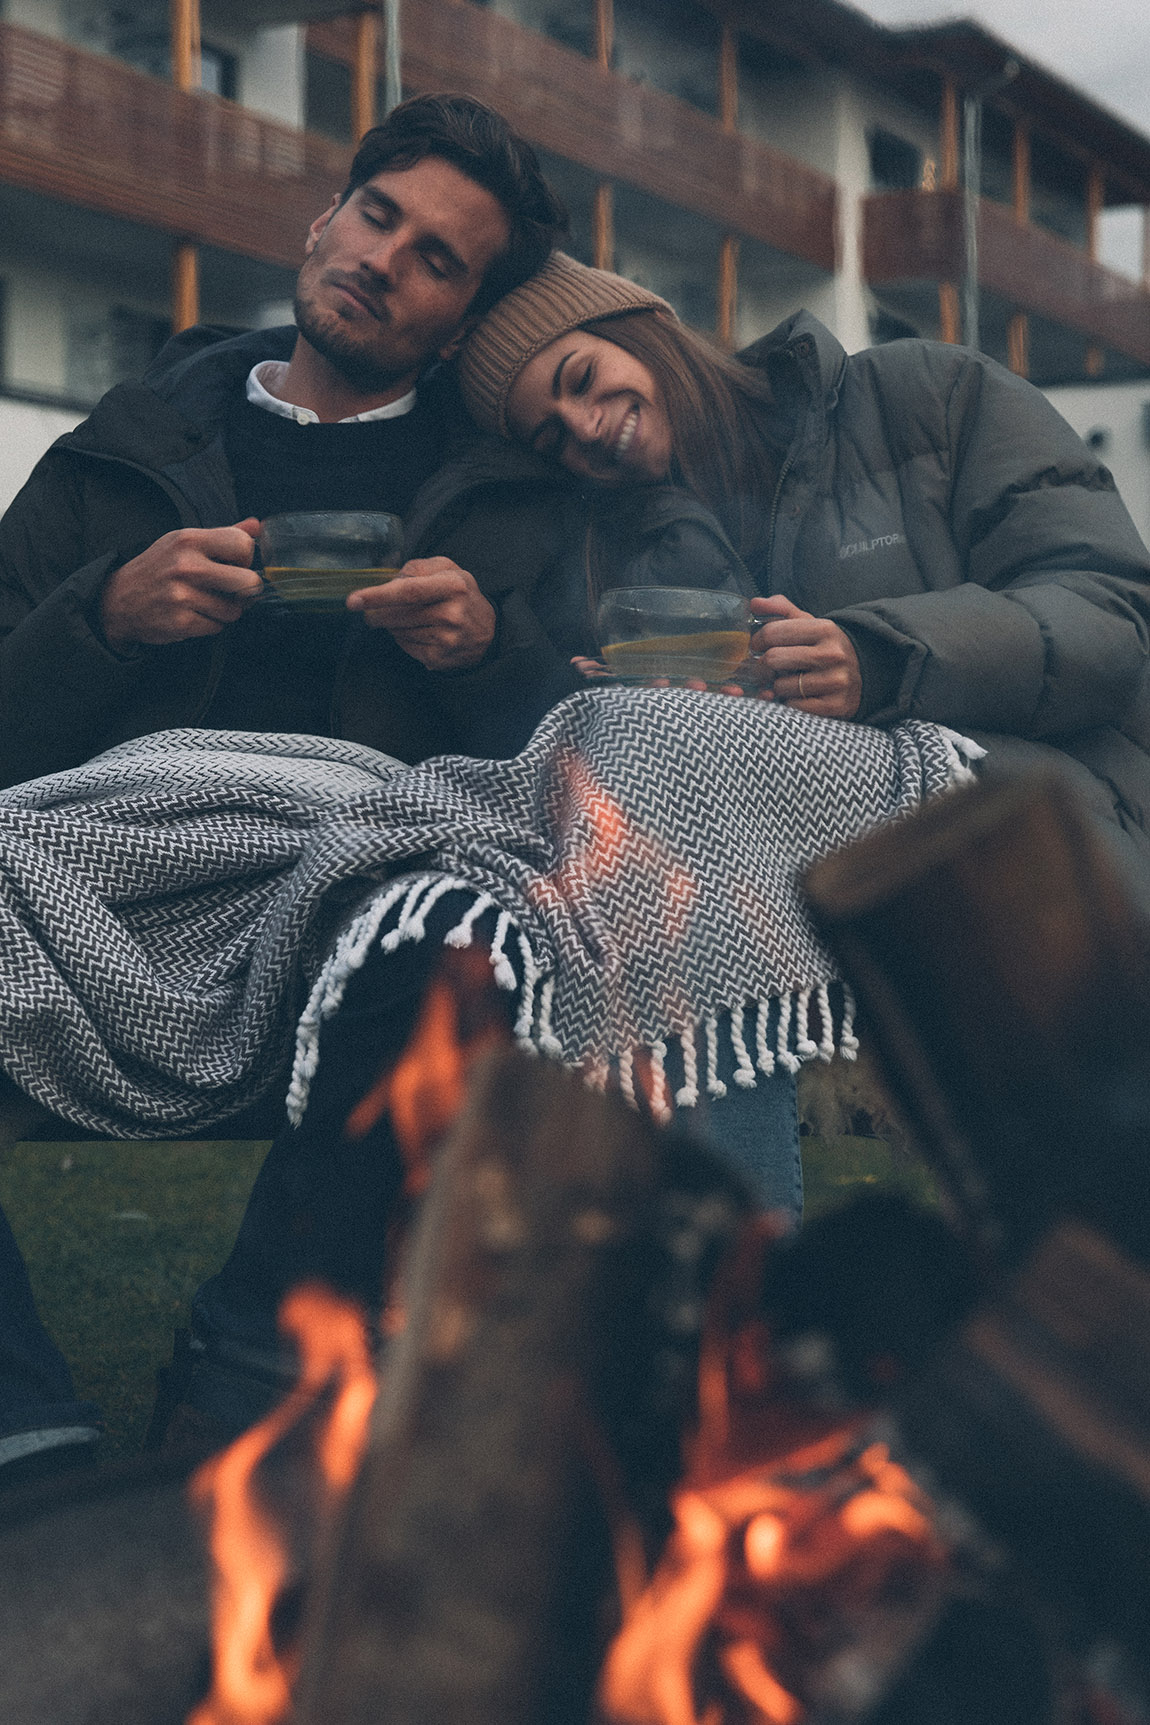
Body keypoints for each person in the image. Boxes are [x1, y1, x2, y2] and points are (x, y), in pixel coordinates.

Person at [0, 101, 741, 1489]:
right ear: (321, 224)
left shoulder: (514, 502)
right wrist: (107, 614)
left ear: (461, 324)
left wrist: (487, 654)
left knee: (467, 924)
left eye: (442, 260)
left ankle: (244, 1385)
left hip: (358, 875)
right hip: (99, 859)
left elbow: (585, 765)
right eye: (380, 217)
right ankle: (23, 1438)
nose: (389, 261)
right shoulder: (123, 446)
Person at [457, 250, 1150, 888]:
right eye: (552, 438)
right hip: (859, 936)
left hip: (1079, 868)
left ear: (641, 329)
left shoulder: (927, 396)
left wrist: (876, 659)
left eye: (581, 378)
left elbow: (1109, 617)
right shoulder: (627, 569)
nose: (583, 426)